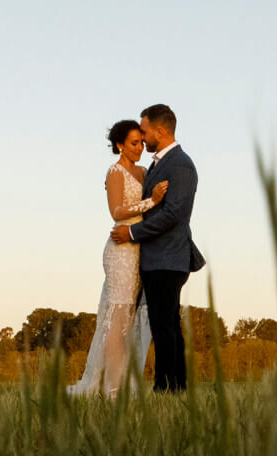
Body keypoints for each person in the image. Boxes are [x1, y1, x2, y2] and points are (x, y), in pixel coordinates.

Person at [109, 103, 205, 392]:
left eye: (146, 131)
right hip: (155, 257)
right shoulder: (157, 163)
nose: (143, 135)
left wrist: (133, 233)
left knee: (164, 326)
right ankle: (176, 386)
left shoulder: (180, 164)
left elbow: (173, 214)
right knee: (166, 324)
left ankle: (166, 386)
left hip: (168, 257)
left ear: (160, 131)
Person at [68, 120, 162, 396]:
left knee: (130, 318)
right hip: (120, 251)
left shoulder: (145, 172)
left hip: (139, 250)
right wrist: (151, 201)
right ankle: (111, 388)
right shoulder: (115, 172)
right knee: (117, 317)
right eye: (134, 143)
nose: (140, 148)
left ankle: (124, 381)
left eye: (142, 143)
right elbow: (117, 212)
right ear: (120, 145)